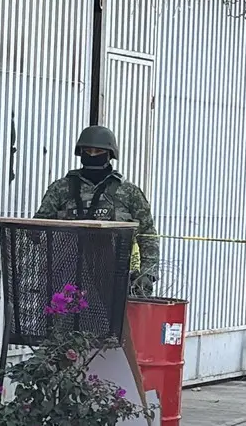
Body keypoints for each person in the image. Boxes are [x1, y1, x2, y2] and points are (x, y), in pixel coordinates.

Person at [35, 125, 161, 297]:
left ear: (110, 155)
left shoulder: (128, 192)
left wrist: (147, 274)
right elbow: (36, 229)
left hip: (115, 277)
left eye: (98, 151)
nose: (93, 155)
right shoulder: (61, 189)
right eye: (88, 150)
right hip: (66, 277)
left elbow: (147, 235)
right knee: (62, 323)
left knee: (116, 324)